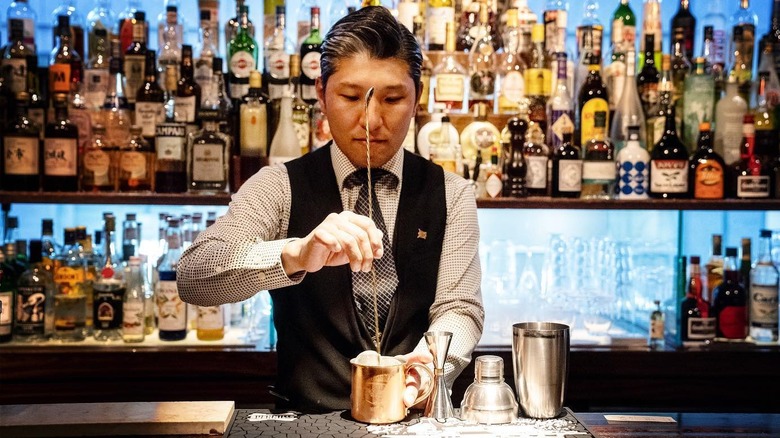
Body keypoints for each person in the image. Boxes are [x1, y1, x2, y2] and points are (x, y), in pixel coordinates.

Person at [177, 6, 483, 412]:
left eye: (392, 99)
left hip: (414, 421)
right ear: (321, 93)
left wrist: (428, 367)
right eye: (351, 97)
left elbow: (460, 307)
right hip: (304, 422)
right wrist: (295, 254)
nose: (371, 120)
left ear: (417, 98)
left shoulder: (451, 193)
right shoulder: (279, 185)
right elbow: (194, 276)